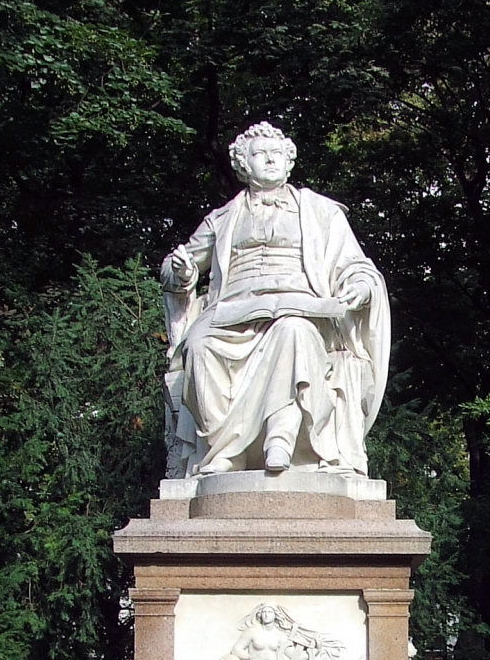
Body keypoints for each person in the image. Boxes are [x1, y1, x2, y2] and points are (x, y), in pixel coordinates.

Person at [160, 122, 390, 476]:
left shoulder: (320, 212)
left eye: (277, 154)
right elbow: (177, 268)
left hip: (300, 308)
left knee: (293, 332)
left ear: (289, 162)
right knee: (200, 345)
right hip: (232, 313)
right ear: (242, 165)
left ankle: (279, 440)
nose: (269, 160)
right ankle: (224, 450)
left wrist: (358, 287)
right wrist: (183, 272)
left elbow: (355, 265)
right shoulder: (222, 219)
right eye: (260, 154)